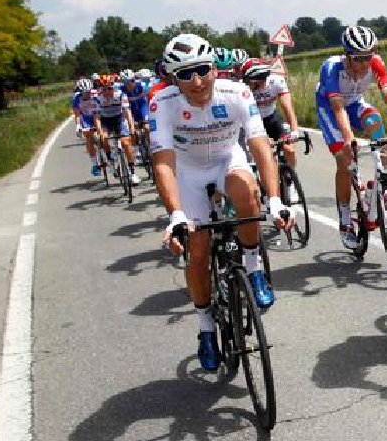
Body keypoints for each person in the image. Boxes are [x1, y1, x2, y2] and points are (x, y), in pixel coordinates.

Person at [152, 34, 292, 371]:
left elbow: (259, 144)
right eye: (185, 74)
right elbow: (163, 162)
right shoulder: (163, 102)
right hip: (188, 172)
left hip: (227, 159)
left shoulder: (237, 93)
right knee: (198, 253)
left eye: (203, 70)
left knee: (247, 194)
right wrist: (176, 215)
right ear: (173, 78)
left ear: (215, 68)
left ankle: (253, 270)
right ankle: (205, 328)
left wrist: (275, 199)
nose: (197, 81)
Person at [314, 25, 387, 249]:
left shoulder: (376, 62)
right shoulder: (331, 68)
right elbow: (338, 108)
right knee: (344, 160)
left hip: (355, 103)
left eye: (368, 56)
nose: (364, 63)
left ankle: (382, 184)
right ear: (347, 55)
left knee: (377, 126)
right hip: (331, 108)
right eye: (358, 58)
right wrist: (349, 137)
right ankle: (344, 218)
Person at [240, 57, 300, 169]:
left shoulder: (276, 81)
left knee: (289, 150)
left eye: (249, 81)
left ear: (260, 79)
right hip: (253, 123)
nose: (246, 83)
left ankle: (290, 175)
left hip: (272, 119)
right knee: (265, 155)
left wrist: (294, 131)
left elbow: (287, 107)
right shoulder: (243, 88)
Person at [92, 73, 140, 185]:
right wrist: (100, 132)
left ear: (113, 87)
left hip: (119, 119)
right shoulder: (97, 99)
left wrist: (132, 128)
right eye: (104, 89)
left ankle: (133, 173)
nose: (107, 92)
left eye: (109, 88)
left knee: (126, 143)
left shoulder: (121, 95)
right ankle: (110, 161)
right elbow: (97, 118)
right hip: (105, 121)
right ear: (101, 89)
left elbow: (127, 113)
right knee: (104, 138)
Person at [71, 78, 102, 175]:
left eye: (89, 91)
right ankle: (94, 164)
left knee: (102, 134)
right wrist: (78, 126)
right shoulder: (76, 98)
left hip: (96, 114)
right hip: (85, 118)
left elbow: (99, 111)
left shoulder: (95, 95)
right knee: (88, 138)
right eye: (85, 92)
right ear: (81, 92)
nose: (88, 94)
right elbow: (77, 114)